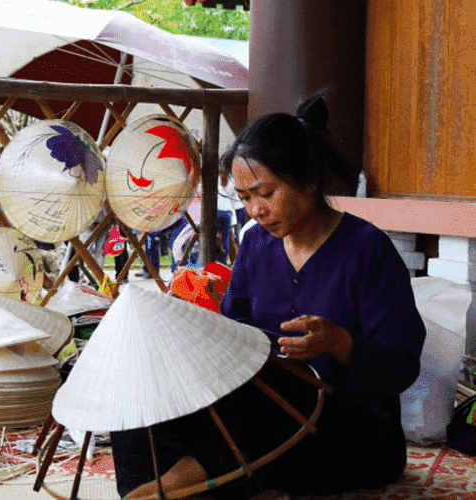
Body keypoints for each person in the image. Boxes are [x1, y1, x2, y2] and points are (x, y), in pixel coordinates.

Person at [113, 92, 426, 499]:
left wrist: (338, 342)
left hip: (352, 433)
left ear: (309, 181)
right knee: (144, 384)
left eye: (266, 192)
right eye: (244, 199)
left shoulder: (368, 251)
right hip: (263, 417)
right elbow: (234, 336)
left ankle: (171, 486)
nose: (255, 210)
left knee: (276, 397)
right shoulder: (257, 247)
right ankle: (141, 488)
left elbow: (401, 366)